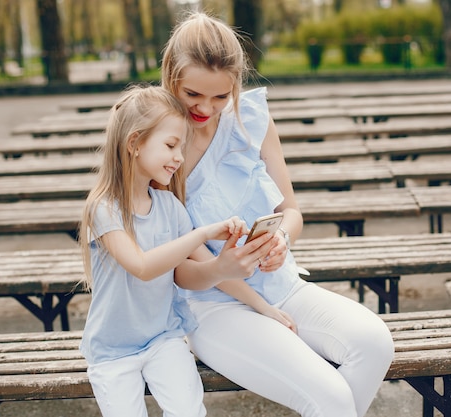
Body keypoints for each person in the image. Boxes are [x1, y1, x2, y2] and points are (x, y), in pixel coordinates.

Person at [162, 12, 395, 417]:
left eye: (221, 96)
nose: (207, 107)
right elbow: (178, 261)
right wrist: (226, 270)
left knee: (375, 343)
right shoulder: (157, 139)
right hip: (210, 304)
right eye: (194, 94)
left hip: (281, 284)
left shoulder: (252, 119)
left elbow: (291, 211)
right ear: (171, 79)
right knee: (331, 397)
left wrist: (281, 240)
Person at [78, 84, 252, 417]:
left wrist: (228, 271)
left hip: (163, 338)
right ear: (134, 144)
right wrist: (201, 232)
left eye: (182, 147)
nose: (179, 158)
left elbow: (197, 271)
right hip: (113, 351)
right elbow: (142, 266)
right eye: (171, 145)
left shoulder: (169, 206)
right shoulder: (104, 208)